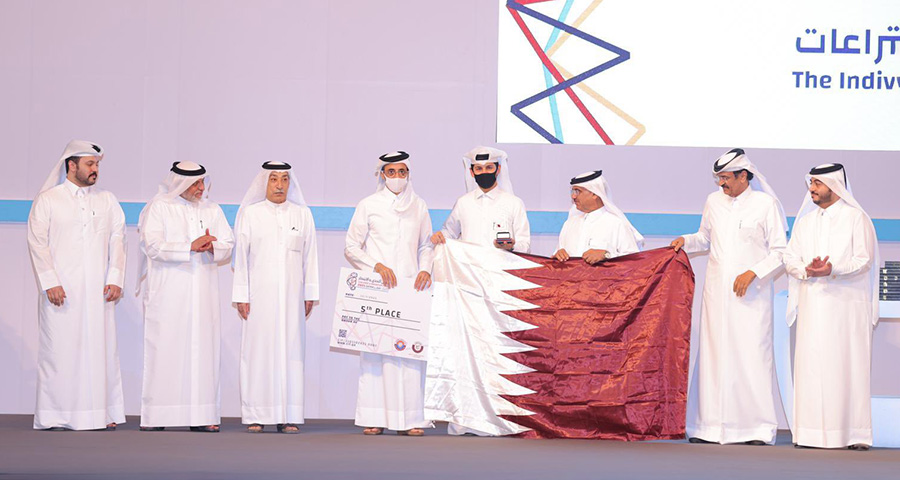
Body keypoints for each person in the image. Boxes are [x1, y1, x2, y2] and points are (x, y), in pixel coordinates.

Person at [671, 148, 788, 445]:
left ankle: (756, 429)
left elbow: (781, 252)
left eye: (725, 178)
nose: (721, 184)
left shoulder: (765, 204)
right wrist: (686, 241)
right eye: (719, 178)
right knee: (714, 356)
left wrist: (753, 273)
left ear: (743, 176)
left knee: (750, 357)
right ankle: (707, 427)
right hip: (716, 296)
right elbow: (705, 239)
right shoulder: (714, 202)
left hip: (752, 296)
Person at [26, 140, 126, 431]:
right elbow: (37, 242)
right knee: (60, 351)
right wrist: (50, 282)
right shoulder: (49, 199)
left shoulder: (107, 199)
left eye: (97, 165)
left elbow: (118, 239)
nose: (95, 170)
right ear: (72, 165)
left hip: (98, 292)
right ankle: (56, 415)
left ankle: (100, 412)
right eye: (90, 164)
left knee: (100, 349)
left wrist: (115, 277)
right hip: (61, 292)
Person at [783, 163, 878, 450]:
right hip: (813, 306)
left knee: (846, 366)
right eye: (810, 183)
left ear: (834, 186)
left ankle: (854, 435)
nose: (811, 188)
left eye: (816, 183)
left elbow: (864, 259)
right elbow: (790, 258)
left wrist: (832, 269)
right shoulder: (805, 222)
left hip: (846, 307)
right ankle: (810, 434)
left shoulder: (856, 218)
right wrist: (806, 270)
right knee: (812, 367)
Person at [137, 161, 234, 432]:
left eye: (202, 182)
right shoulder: (159, 208)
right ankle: (158, 417)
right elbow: (151, 245)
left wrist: (212, 246)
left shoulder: (212, 209)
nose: (201, 188)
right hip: (169, 293)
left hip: (203, 293)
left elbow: (228, 242)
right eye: (195, 184)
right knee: (165, 348)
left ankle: (202, 417)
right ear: (179, 183)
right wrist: (188, 247)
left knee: (202, 351)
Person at [345, 151, 434, 436]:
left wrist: (425, 269)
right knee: (375, 353)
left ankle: (410, 420)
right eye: (391, 172)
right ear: (382, 174)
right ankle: (374, 417)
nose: (397, 178)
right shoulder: (368, 205)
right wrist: (376, 265)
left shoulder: (419, 206)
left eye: (402, 172)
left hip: (409, 288)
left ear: (409, 174)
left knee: (408, 354)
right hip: (377, 288)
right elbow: (351, 247)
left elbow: (426, 245)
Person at [232, 161, 319, 434]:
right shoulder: (250, 214)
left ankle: (288, 415)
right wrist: (241, 296)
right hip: (258, 297)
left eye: (284, 179)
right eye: (273, 179)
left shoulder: (302, 214)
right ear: (264, 183)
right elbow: (241, 261)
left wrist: (310, 294)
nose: (280, 185)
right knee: (257, 353)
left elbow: (311, 257)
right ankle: (256, 415)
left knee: (291, 353)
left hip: (293, 299)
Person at [431, 146, 530, 254]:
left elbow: (525, 246)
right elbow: (449, 233)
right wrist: (439, 236)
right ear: (472, 172)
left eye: (489, 167)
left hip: (501, 269)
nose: (484, 172)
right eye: (479, 168)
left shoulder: (514, 203)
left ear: (498, 169)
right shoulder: (463, 203)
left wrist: (511, 246)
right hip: (469, 269)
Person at [552, 170, 642, 263]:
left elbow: (633, 261)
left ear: (594, 193)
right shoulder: (569, 224)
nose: (573, 196)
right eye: (572, 191)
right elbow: (556, 259)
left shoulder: (616, 223)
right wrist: (558, 255)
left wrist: (607, 255)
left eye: (577, 191)